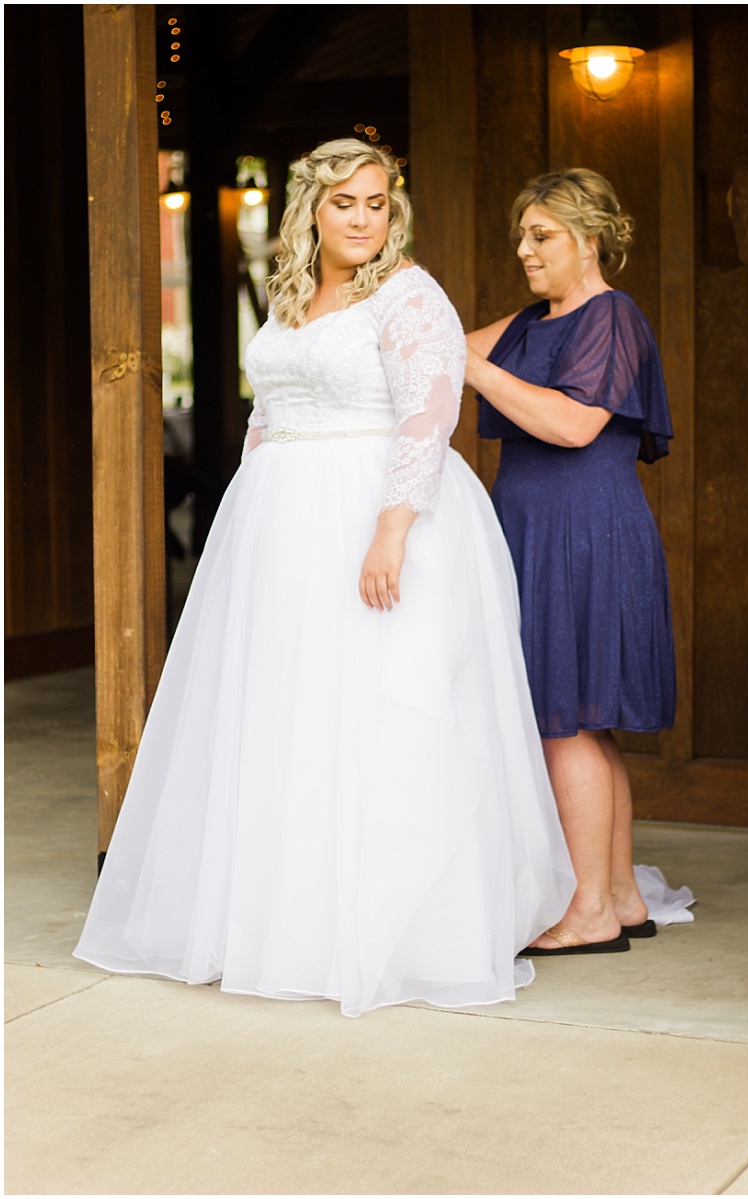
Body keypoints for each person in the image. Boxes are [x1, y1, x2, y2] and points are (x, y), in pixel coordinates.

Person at [74, 139, 576, 1017]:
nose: (361, 218)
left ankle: (395, 925)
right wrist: (249, 522)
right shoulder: (290, 296)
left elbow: (429, 410)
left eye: (377, 203)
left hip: (377, 507)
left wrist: (391, 529)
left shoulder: (407, 292)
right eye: (344, 201)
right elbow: (269, 409)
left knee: (384, 707)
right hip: (281, 518)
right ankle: (281, 916)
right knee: (288, 712)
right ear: (311, 207)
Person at [465, 169, 683, 956]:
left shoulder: (611, 316)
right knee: (581, 721)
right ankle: (619, 896)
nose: (524, 250)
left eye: (541, 235)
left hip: (581, 531)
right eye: (521, 235)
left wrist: (479, 373)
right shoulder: (533, 321)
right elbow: (443, 348)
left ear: (588, 242)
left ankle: (588, 909)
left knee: (566, 720)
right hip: (539, 527)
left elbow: (571, 425)